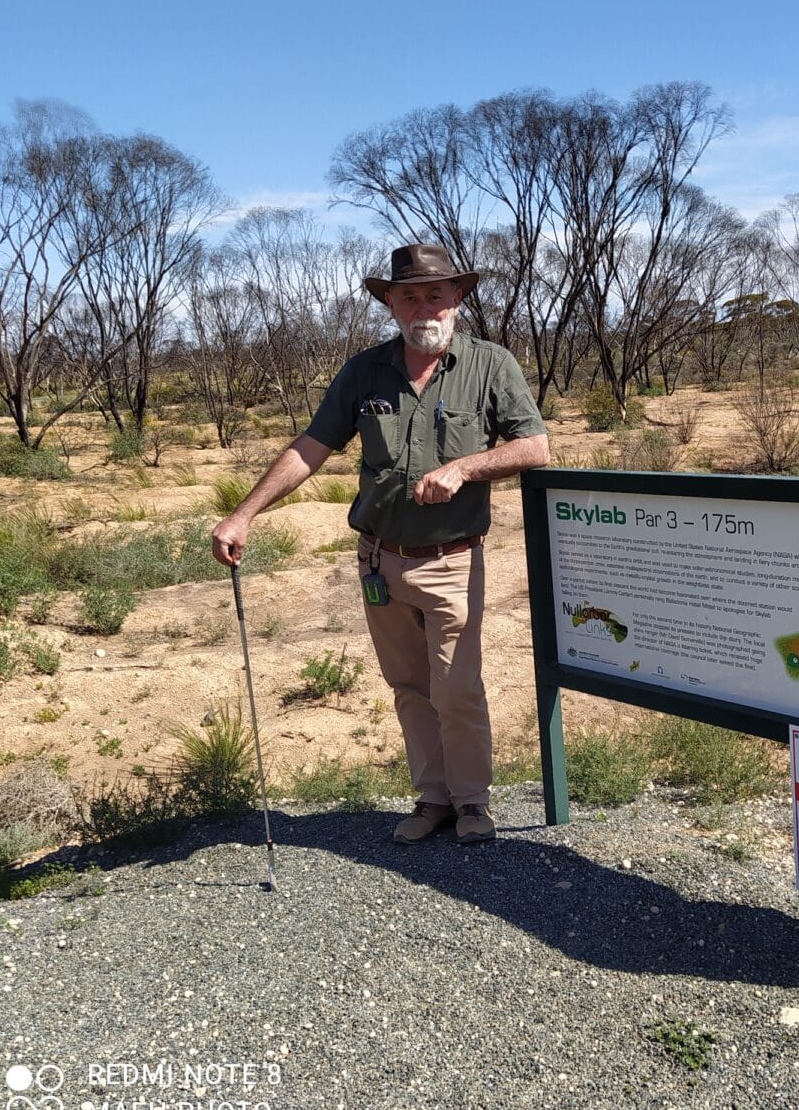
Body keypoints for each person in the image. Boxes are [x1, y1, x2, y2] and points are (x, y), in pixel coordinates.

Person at [212, 244, 549, 845]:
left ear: (457, 298)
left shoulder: (490, 365)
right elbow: (312, 446)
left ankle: (473, 801)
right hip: (379, 561)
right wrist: (243, 514)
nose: (424, 307)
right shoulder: (364, 372)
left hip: (451, 561)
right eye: (409, 296)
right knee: (409, 687)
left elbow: (534, 447)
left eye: (436, 294)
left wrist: (464, 468)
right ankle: (434, 798)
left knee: (457, 687)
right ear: (390, 303)